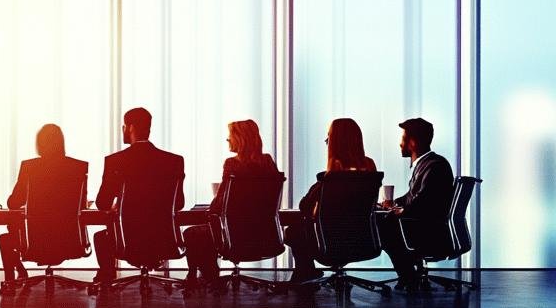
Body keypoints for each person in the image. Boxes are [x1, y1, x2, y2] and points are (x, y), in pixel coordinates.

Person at [181, 119, 281, 291]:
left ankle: (209, 279)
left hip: (234, 235)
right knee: (207, 232)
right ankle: (208, 279)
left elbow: (220, 201)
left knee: (193, 232)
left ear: (240, 139)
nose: (227, 140)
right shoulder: (267, 162)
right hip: (263, 235)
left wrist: (210, 209)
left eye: (230, 136)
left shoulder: (232, 164)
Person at [92, 107, 186, 285]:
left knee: (101, 237)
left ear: (131, 127)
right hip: (164, 240)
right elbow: (179, 203)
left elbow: (102, 203)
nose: (123, 131)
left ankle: (106, 280)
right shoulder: (174, 161)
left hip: (127, 241)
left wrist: (116, 206)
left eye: (124, 126)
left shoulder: (115, 161)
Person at [284, 117, 378, 284]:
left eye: (329, 136)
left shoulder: (333, 174)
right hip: (362, 241)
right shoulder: (370, 168)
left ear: (336, 141)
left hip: (330, 243)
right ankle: (307, 273)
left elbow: (305, 206)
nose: (326, 141)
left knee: (293, 231)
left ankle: (306, 274)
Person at [0, 123, 89, 285]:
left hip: (35, 243)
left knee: (6, 237)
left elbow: (13, 203)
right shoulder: (78, 167)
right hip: (69, 242)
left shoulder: (29, 167)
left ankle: (11, 281)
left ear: (40, 144)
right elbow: (81, 205)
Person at [377, 117, 455, 289]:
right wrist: (391, 204)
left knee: (384, 224)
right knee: (384, 218)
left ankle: (407, 276)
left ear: (412, 142)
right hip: (428, 227)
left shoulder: (434, 166)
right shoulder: (428, 164)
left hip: (429, 233)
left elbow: (422, 203)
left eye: (403, 139)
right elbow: (413, 197)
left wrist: (397, 211)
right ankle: (407, 274)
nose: (400, 144)